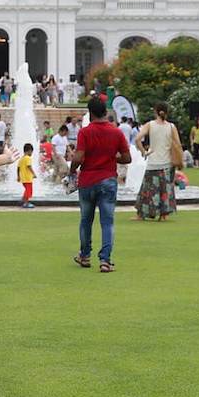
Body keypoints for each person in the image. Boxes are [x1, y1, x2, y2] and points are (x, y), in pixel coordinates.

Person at [69, 96, 131, 273]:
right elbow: (127, 158)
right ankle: (105, 260)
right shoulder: (116, 132)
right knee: (107, 222)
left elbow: (79, 157)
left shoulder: (85, 132)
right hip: (108, 180)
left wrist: (72, 170)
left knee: (85, 220)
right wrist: (112, 156)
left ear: (90, 113)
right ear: (105, 112)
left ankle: (84, 255)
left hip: (87, 180)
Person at [134, 102, 182, 221]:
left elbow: (137, 139)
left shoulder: (150, 125)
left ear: (155, 111)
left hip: (153, 163)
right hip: (167, 164)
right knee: (165, 190)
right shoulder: (171, 127)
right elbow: (178, 145)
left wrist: (143, 152)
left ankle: (143, 214)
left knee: (148, 190)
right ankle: (163, 214)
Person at [18, 143, 35, 209]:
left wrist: (18, 176)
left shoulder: (21, 159)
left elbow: (18, 168)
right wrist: (33, 173)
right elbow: (29, 166)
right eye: (31, 152)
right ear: (29, 151)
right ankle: (26, 203)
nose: (31, 154)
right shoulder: (28, 158)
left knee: (27, 190)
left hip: (23, 178)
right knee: (28, 191)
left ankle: (23, 200)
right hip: (28, 178)